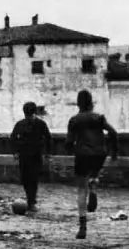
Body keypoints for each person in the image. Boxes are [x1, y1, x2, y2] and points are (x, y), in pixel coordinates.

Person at [65, 89, 119, 239]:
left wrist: (71, 149)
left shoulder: (74, 120)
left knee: (81, 189)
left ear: (78, 103)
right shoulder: (99, 118)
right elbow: (113, 133)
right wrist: (114, 152)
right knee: (94, 172)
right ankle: (94, 185)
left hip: (82, 153)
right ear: (91, 103)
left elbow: (69, 141)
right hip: (99, 154)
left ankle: (82, 225)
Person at [10, 101, 53, 212]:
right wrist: (15, 151)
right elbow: (13, 138)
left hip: (35, 155)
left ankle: (31, 201)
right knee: (25, 179)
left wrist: (48, 152)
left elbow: (48, 138)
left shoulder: (40, 124)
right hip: (25, 156)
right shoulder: (21, 124)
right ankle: (30, 200)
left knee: (33, 179)